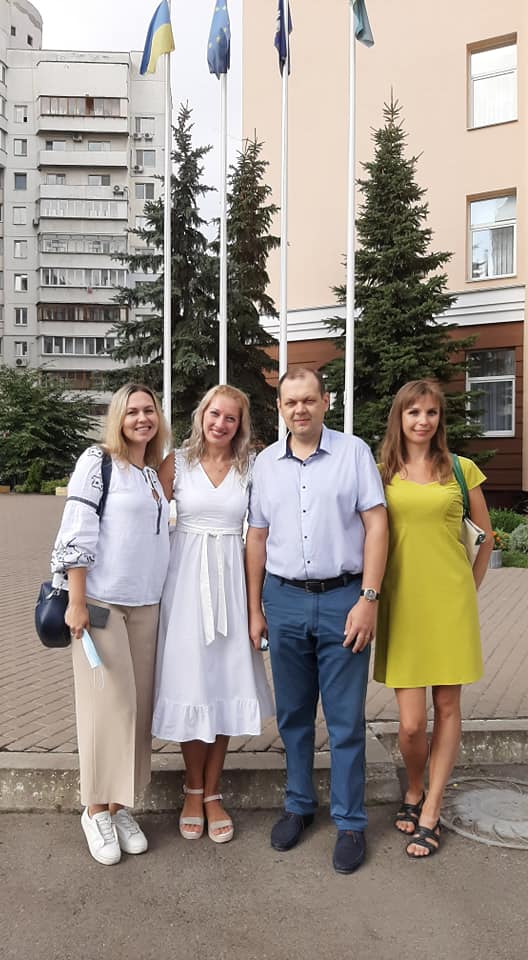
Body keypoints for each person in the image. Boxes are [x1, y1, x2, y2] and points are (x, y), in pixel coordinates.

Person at [245, 368, 388, 874]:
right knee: (293, 715)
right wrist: (254, 608)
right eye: (290, 402)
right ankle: (299, 805)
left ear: (325, 401)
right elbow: (257, 537)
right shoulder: (265, 464)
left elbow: (377, 525)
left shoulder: (354, 453)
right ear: (279, 407)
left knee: (345, 720)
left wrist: (369, 598)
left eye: (308, 400)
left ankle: (350, 821)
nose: (300, 409)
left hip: (344, 600)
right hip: (283, 601)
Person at [51, 383, 171, 865]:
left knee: (137, 709)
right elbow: (77, 528)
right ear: (118, 417)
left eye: (149, 410)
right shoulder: (98, 462)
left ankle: (120, 806)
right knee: (108, 706)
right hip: (102, 603)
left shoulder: (151, 474)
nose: (142, 418)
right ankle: (95, 810)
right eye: (133, 411)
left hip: (147, 604)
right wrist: (76, 600)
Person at [374, 379, 493, 859]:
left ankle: (431, 807)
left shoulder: (461, 469)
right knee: (409, 724)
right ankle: (414, 784)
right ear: (399, 418)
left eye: (431, 412)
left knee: (446, 707)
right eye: (413, 412)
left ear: (439, 419)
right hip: (401, 605)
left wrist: (469, 589)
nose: (423, 421)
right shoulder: (381, 473)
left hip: (450, 606)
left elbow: (485, 536)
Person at [152, 385, 273, 843]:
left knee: (224, 684)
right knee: (191, 684)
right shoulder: (177, 462)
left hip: (231, 584)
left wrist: (256, 607)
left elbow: (259, 533)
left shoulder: (251, 467)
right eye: (214, 414)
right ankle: (192, 788)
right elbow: (144, 517)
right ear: (202, 415)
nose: (221, 424)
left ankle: (213, 791)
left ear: (240, 425)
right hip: (184, 585)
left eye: (230, 418)